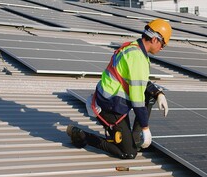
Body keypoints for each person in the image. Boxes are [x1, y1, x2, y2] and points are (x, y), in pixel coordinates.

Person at [66, 18, 172, 159]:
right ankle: (83, 136)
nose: (162, 48)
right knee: (129, 153)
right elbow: (137, 99)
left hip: (114, 101)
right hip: (108, 107)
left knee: (150, 95)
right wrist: (146, 129)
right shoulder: (137, 57)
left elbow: (139, 80)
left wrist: (158, 93)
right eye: (163, 44)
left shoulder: (134, 47)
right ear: (154, 39)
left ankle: (134, 138)